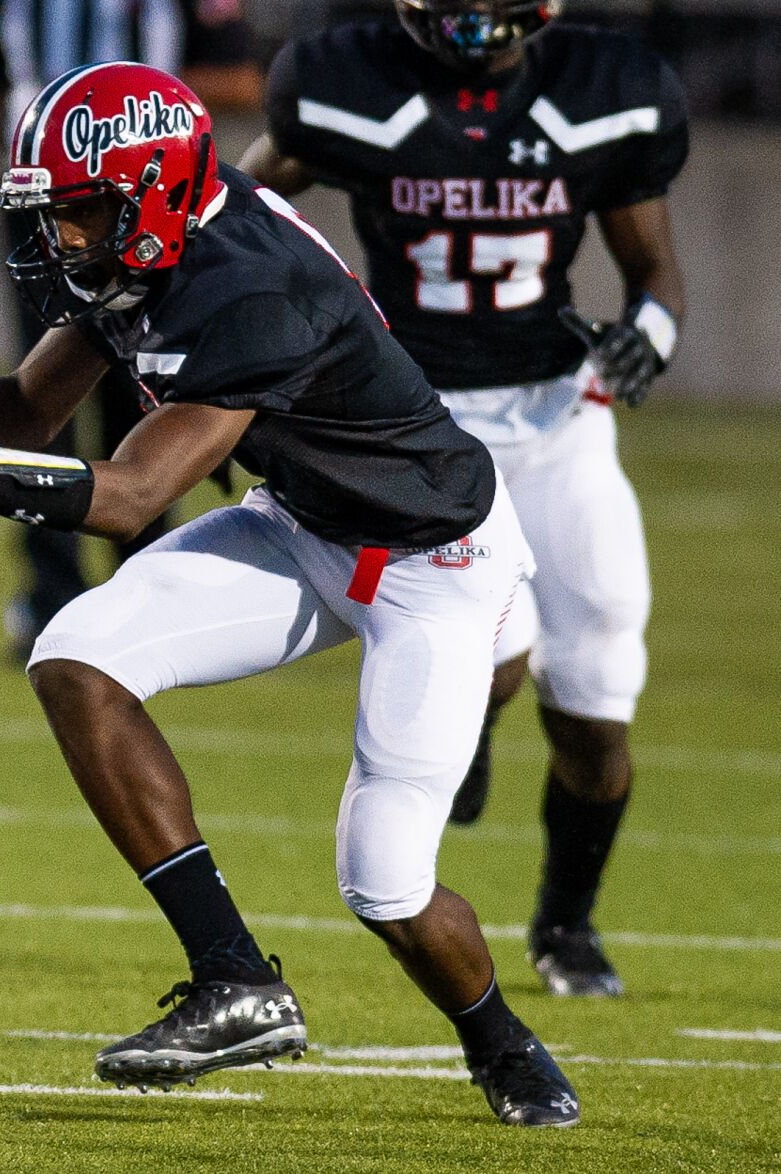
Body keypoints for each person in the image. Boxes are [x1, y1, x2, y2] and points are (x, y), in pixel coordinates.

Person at [0, 61, 577, 1126]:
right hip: (305, 523)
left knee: (383, 880)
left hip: (431, 564)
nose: (64, 240)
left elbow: (130, 495)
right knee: (77, 659)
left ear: (154, 193)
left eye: (81, 213)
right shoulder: (157, 246)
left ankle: (503, 1042)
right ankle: (234, 978)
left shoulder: (249, 288)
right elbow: (27, 406)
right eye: (55, 215)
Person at [238, 0, 688, 998]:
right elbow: (235, 213)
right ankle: (470, 724)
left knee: (598, 694)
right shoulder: (346, 84)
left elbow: (653, 269)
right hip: (418, 422)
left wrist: (648, 331)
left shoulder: (602, 93)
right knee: (494, 652)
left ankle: (566, 921)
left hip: (559, 418)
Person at [0, 0, 261, 658]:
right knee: (42, 393)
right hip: (41, 198)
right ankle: (50, 599)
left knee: (138, 395)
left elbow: (241, 78)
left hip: (139, 195)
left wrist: (122, 109)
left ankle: (146, 589)